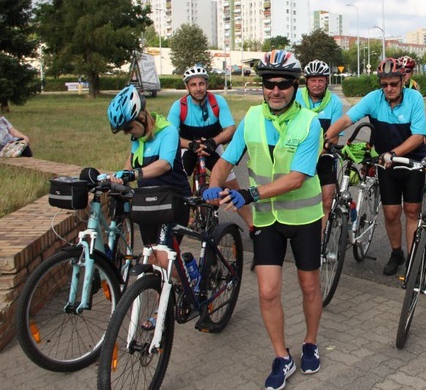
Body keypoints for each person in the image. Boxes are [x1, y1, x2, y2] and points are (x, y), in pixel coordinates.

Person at [204, 49, 324, 390]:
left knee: (309, 285)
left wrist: (249, 194)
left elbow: (297, 178)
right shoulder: (252, 119)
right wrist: (214, 187)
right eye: (269, 83)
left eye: (283, 84)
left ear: (295, 86)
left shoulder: (309, 123)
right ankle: (281, 357)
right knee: (268, 292)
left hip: (303, 218)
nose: (275, 90)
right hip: (267, 221)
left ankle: (311, 343)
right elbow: (225, 162)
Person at [324, 57, 426, 276]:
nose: (389, 88)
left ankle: (413, 259)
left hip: (411, 162)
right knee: (390, 213)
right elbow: (347, 120)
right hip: (386, 163)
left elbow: (419, 135)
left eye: (394, 83)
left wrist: (395, 153)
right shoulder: (374, 98)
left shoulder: (415, 98)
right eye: (384, 84)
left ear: (402, 80)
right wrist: (326, 138)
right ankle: (397, 252)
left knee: (412, 211)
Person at [107, 85, 191, 287]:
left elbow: (164, 165)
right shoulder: (138, 138)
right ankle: (162, 310)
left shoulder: (168, 131)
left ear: (142, 117)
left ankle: (194, 282)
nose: (128, 133)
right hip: (148, 204)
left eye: (128, 127)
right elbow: (129, 166)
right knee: (152, 259)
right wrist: (117, 177)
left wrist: (134, 174)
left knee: (162, 259)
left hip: (173, 202)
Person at [167, 65, 252, 229]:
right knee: (176, 185)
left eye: (201, 84)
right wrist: (190, 145)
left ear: (206, 84)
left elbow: (230, 129)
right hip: (188, 147)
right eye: (193, 85)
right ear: (187, 87)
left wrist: (213, 142)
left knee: (232, 187)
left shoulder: (218, 102)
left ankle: (253, 227)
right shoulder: (179, 106)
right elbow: (170, 136)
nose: (198, 88)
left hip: (214, 146)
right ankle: (178, 221)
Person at [296, 59, 343, 225]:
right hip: (298, 156)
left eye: (321, 80)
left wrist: (316, 154)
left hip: (324, 156)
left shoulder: (335, 102)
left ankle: (320, 245)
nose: (317, 84)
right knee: (299, 202)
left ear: (326, 82)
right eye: (313, 80)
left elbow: (334, 137)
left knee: (326, 202)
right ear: (306, 82)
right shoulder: (296, 98)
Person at [398, 55, 426, 124]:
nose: (404, 74)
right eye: (402, 71)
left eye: (408, 71)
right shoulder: (393, 85)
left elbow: (419, 107)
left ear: (412, 72)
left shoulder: (415, 85)